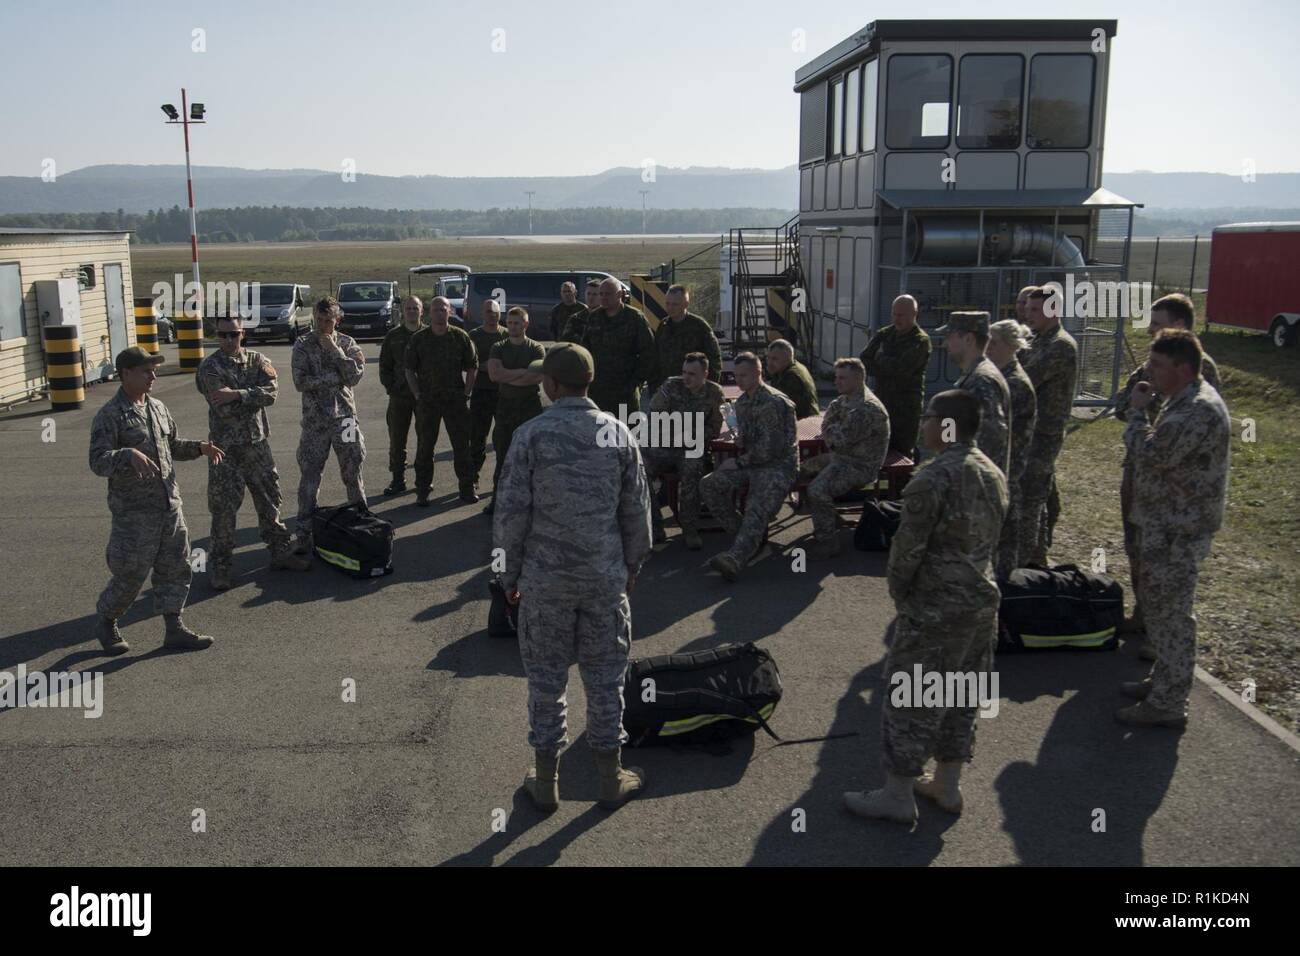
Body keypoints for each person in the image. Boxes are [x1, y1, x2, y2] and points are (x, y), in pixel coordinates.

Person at [494, 342, 653, 811]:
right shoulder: (618, 434)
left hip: (545, 584)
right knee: (606, 682)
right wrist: (632, 567)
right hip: (604, 581)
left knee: (546, 683)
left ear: (553, 384)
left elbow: (509, 516)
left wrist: (507, 579)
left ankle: (546, 783)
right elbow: (637, 513)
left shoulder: (531, 436)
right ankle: (610, 778)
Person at [844, 389, 1007, 824]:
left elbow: (906, 551)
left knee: (910, 699)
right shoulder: (992, 472)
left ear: (947, 425)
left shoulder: (933, 478)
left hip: (935, 609)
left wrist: (902, 598)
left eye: (929, 417)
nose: (922, 425)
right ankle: (948, 785)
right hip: (981, 605)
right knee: (961, 694)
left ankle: (897, 795)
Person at [1117, 329, 1229, 728]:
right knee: (1162, 610)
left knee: (1173, 614)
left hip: (1180, 528)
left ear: (1183, 368)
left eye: (1159, 365)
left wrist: (1136, 412)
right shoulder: (1180, 400)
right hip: (1166, 521)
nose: (1151, 371)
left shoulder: (1196, 409)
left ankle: (1168, 702)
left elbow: (1151, 454)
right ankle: (1163, 681)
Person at [89, 347, 225, 655]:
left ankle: (174, 628)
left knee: (175, 569)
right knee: (131, 574)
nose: (153, 376)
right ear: (125, 374)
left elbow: (172, 445)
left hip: (169, 506)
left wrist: (200, 447)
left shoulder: (158, 407)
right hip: (134, 514)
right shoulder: (110, 415)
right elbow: (97, 461)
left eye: (154, 370)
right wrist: (126, 454)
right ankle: (106, 620)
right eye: (145, 371)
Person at [1114, 293, 1221, 644]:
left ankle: (1159, 642)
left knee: (1171, 591)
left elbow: (1164, 445)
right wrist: (1141, 388)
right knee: (1139, 549)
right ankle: (1145, 616)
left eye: (1158, 325)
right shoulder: (1154, 367)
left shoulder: (1197, 377)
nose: (1150, 332)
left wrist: (1141, 411)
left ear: (1178, 326)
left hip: (1178, 500)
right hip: (1147, 483)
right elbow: (1122, 406)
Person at [196, 315, 310, 589]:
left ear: (242, 334)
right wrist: (250, 395)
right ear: (216, 335)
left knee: (270, 500)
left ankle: (280, 552)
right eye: (223, 335)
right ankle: (220, 567)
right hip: (225, 451)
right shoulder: (209, 367)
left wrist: (237, 394)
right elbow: (219, 405)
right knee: (224, 510)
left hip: (257, 445)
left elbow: (271, 393)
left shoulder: (258, 360)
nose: (228, 340)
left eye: (233, 334)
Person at [700, 352, 798, 581]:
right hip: (753, 463)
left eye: (744, 375)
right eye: (736, 376)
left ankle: (735, 558)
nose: (739, 380)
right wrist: (741, 441)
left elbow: (770, 450)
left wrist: (738, 461)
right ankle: (745, 535)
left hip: (778, 466)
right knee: (709, 485)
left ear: (758, 373)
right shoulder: (742, 402)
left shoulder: (774, 402)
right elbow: (752, 441)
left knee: (755, 505)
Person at [291, 296, 367, 552]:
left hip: (344, 420)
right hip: (315, 423)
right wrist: (336, 376)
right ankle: (303, 532)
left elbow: (355, 377)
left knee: (352, 474)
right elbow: (300, 381)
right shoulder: (302, 344)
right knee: (310, 478)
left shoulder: (347, 343)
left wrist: (335, 351)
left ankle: (363, 523)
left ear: (337, 320)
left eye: (328, 321)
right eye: (319, 320)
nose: (323, 325)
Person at [803, 358, 890, 559]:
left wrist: (830, 431)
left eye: (842, 378)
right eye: (836, 377)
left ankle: (828, 542)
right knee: (801, 469)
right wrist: (831, 431)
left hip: (860, 465)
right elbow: (828, 424)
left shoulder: (867, 408)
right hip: (842, 458)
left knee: (816, 489)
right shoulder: (845, 400)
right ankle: (830, 518)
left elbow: (838, 440)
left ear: (859, 379)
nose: (837, 382)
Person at [1018, 287, 1078, 566]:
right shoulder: (1037, 339)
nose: (1027, 314)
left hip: (1045, 432)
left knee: (1032, 497)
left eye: (1034, 310)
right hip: (1030, 429)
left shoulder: (1060, 345)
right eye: (1027, 308)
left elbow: (1026, 378)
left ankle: (1028, 561)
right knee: (1038, 494)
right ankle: (1038, 555)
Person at [642, 351, 725, 549]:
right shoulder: (671, 386)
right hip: (666, 444)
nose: (686, 377)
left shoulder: (714, 393)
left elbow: (714, 428)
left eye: (692, 374)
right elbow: (654, 415)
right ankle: (655, 526)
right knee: (639, 468)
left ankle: (689, 528)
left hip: (691, 447)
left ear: (705, 374)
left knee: (692, 472)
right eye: (684, 372)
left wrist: (690, 431)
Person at [404, 295, 479, 505]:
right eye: (435, 309)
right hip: (428, 402)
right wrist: (417, 394)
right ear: (429, 312)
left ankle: (467, 488)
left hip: (455, 400)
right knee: (425, 448)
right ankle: (422, 490)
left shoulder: (460, 337)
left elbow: (473, 367)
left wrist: (466, 393)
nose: (439, 313)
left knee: (462, 446)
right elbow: (409, 369)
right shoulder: (419, 339)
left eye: (443, 309)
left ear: (449, 312)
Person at [986, 319, 1037, 579]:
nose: (989, 348)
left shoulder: (1014, 382)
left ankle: (1008, 596)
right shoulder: (999, 377)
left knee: (1005, 541)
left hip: (1009, 469)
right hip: (1000, 466)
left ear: (1010, 345)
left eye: (994, 343)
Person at [484, 306, 546, 514]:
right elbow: (494, 375)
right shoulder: (498, 347)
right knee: (502, 456)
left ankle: (534, 503)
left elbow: (536, 377)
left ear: (525, 324)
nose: (512, 327)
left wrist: (508, 374)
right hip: (505, 409)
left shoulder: (536, 348)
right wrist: (521, 373)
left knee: (532, 458)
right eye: (509, 323)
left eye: (517, 323)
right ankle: (497, 500)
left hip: (530, 409)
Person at [940, 311, 1010, 478]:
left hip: (976, 489)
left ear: (968, 339)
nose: (944, 344)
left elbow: (989, 443)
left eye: (950, 337)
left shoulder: (981, 382)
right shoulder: (974, 376)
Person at [860, 294, 931, 456]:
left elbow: (901, 369)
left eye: (902, 315)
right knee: (880, 448)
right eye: (894, 314)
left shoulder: (920, 341)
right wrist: (885, 365)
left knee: (903, 453)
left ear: (914, 315)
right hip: (883, 401)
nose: (897, 319)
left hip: (906, 408)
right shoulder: (885, 334)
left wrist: (880, 358)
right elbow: (864, 360)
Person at [580, 277, 656, 415]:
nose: (603, 298)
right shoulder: (594, 317)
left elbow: (648, 352)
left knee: (627, 433)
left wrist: (636, 381)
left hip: (625, 391)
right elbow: (585, 349)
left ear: (619, 294)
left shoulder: (634, 318)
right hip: (598, 390)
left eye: (608, 294)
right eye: (601, 294)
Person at [378, 294, 424, 495]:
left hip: (424, 398)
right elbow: (384, 366)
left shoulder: (430, 335)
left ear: (421, 311)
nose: (412, 311)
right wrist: (392, 388)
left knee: (425, 440)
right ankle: (398, 479)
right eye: (408, 308)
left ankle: (423, 480)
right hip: (399, 397)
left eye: (415, 308)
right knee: (397, 440)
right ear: (402, 312)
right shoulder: (393, 336)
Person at [647, 284, 722, 400]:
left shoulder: (699, 327)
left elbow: (714, 359)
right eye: (668, 303)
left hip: (693, 393)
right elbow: (655, 358)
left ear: (686, 304)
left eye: (675, 304)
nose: (670, 308)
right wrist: (654, 387)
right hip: (668, 392)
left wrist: (708, 389)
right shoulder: (664, 326)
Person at [468, 298, 509, 490]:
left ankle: (501, 479)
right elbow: (469, 363)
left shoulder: (507, 335)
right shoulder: (474, 336)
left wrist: (492, 367)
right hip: (481, 393)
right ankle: (473, 477)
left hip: (503, 394)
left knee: (503, 439)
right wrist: (488, 367)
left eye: (495, 312)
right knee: (477, 438)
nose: (492, 316)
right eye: (488, 312)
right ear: (481, 314)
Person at [765, 338, 819, 418]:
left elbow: (778, 407)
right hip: (801, 419)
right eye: (768, 358)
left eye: (774, 359)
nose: (769, 362)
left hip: (804, 422)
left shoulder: (791, 376)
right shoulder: (788, 368)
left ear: (787, 358)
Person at [560, 279, 602, 344]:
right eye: (588, 294)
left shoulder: (608, 317)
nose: (591, 297)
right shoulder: (575, 319)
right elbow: (565, 341)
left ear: (601, 296)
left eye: (595, 294)